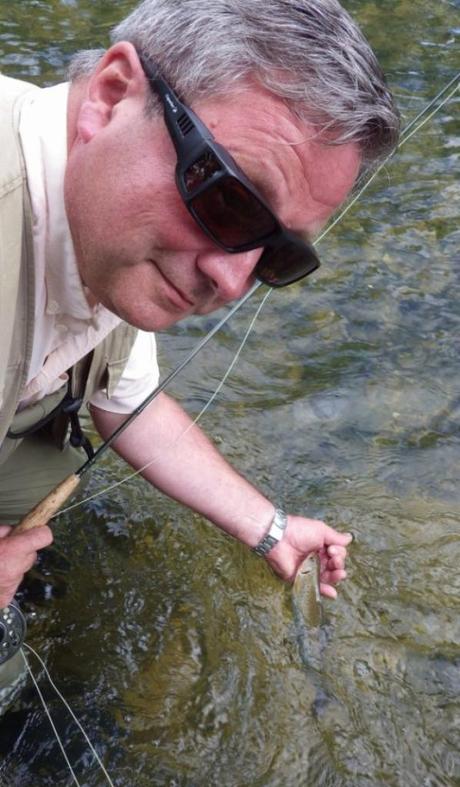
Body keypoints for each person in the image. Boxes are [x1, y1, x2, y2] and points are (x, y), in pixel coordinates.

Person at [0, 0, 399, 616]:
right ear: (111, 95)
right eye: (229, 201)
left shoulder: (110, 236)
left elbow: (129, 402)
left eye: (278, 254)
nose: (233, 280)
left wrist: (271, 529)